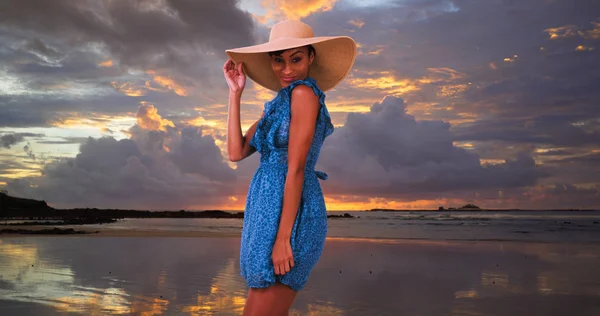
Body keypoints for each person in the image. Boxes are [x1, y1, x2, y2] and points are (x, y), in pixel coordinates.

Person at [223, 20, 356, 316]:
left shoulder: (304, 95)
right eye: (278, 60)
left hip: (292, 216)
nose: (286, 69)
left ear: (311, 57)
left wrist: (284, 239)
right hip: (264, 212)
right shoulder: (277, 104)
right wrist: (235, 93)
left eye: (295, 59)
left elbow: (296, 169)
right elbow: (236, 151)